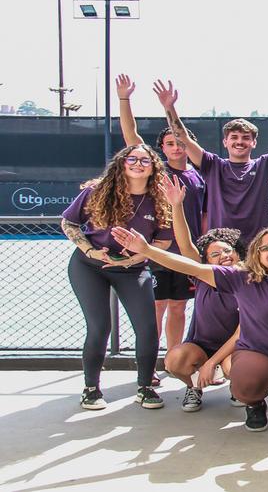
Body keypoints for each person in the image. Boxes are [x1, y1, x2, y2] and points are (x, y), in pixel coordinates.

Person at [112, 226, 268, 433]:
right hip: (259, 355)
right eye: (265, 248)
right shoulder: (242, 277)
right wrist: (147, 250)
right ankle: (255, 403)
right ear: (256, 256)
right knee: (247, 382)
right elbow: (190, 266)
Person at [61, 144, 173, 410]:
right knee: (100, 327)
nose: (138, 164)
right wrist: (89, 249)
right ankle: (91, 389)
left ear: (154, 166)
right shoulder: (97, 191)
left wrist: (138, 257)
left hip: (132, 269)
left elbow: (163, 242)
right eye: (132, 159)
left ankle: (145, 387)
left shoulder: (159, 198)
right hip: (90, 266)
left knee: (147, 327)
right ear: (122, 163)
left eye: (145, 160)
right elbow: (69, 222)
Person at [116, 74, 206, 380]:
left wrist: (200, 249)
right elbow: (132, 137)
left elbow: (203, 215)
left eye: (180, 142)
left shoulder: (198, 176)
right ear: (162, 149)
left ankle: (173, 361)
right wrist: (124, 99)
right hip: (156, 252)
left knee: (179, 308)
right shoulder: (156, 170)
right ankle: (148, 365)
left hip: (185, 256)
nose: (177, 147)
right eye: (170, 143)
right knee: (155, 310)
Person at [153, 79, 268, 243]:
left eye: (246, 138)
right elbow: (183, 138)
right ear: (225, 142)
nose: (240, 142)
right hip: (220, 246)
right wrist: (169, 107)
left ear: (254, 143)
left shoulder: (263, 165)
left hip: (256, 245)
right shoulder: (212, 164)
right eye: (234, 137)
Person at [157, 174, 246, 412]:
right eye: (215, 255)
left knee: (235, 367)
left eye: (227, 251)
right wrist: (176, 206)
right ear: (205, 261)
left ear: (237, 253)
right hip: (201, 345)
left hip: (237, 346)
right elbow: (185, 244)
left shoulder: (248, 279)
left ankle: (237, 387)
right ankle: (194, 386)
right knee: (175, 360)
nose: (223, 256)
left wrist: (215, 362)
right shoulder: (203, 277)